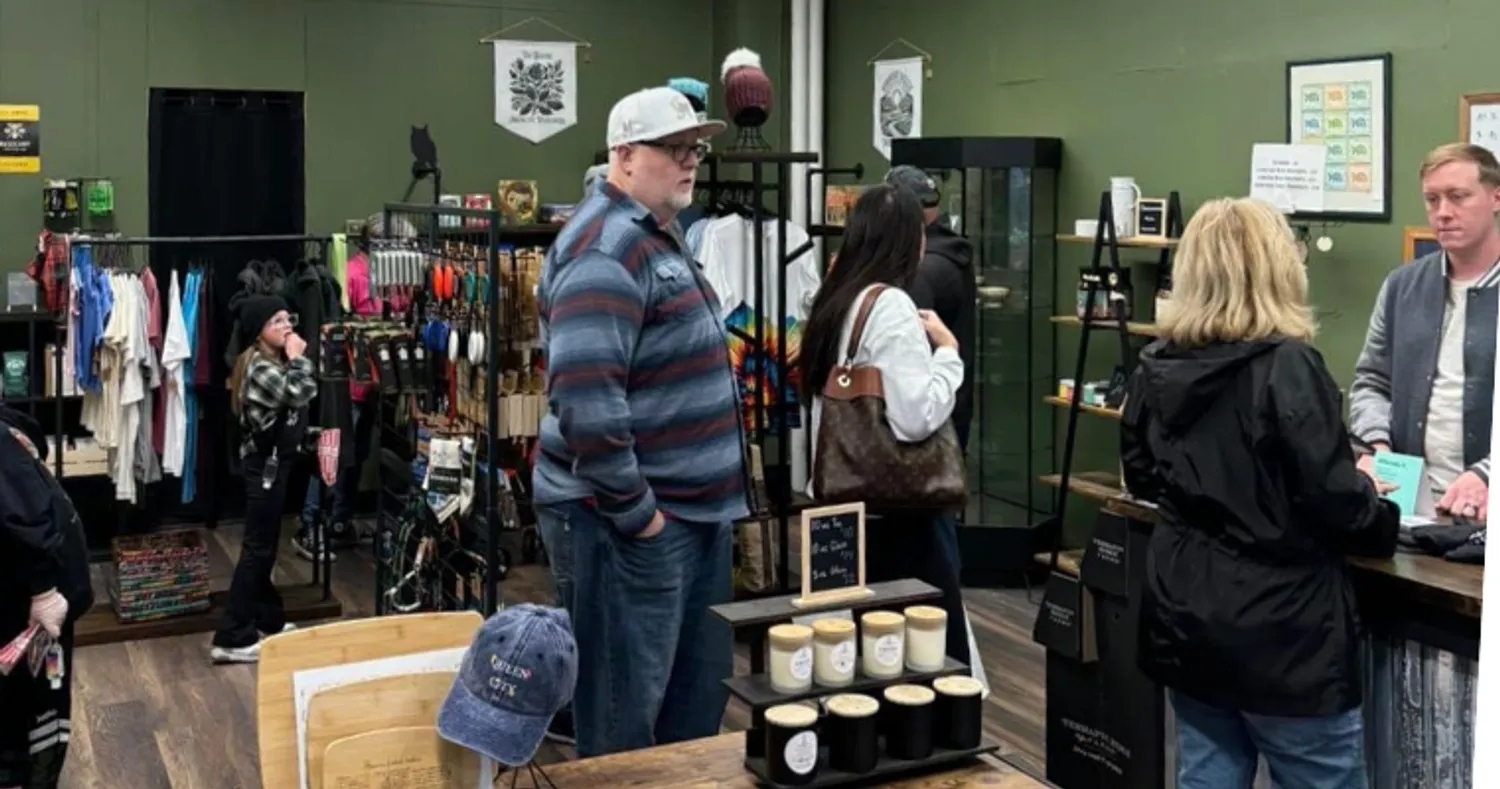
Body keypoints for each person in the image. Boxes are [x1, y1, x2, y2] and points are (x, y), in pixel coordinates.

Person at [1120, 197, 1399, 788]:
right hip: (1283, 634)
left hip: (1186, 615)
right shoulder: (1289, 367)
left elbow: (1142, 476)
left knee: (1208, 773)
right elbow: (1336, 502)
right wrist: (1380, 508)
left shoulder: (1155, 365)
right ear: (1279, 267)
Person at [531, 86, 746, 757]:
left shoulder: (655, 235)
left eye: (696, 149)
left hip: (688, 515)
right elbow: (587, 401)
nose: (690, 161)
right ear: (624, 154)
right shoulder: (606, 247)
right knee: (625, 720)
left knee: (691, 705)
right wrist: (641, 518)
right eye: (673, 148)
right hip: (631, 523)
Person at [800, 183, 971, 665]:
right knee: (915, 657)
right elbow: (914, 417)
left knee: (844, 653)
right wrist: (948, 355)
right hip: (897, 511)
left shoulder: (833, 302)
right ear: (908, 239)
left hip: (838, 499)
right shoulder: (891, 306)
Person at [1351, 142, 1500, 523]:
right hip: (1409, 508)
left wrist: (1486, 474)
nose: (1443, 213)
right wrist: (1378, 447)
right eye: (1432, 200)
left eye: (1458, 197)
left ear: (1496, 197)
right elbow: (1371, 381)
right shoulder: (1402, 286)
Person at [211, 295, 318, 664]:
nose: (287, 326)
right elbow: (303, 391)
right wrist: (300, 357)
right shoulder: (260, 368)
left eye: (288, 319)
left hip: (271, 465)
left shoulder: (269, 362)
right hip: (263, 469)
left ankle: (268, 619)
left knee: (266, 546)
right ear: (259, 332)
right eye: (277, 322)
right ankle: (232, 635)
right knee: (257, 549)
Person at [0, 405, 92, 789]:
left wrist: (44, 590)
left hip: (37, 594)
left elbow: (27, 512)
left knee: (38, 694)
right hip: (26, 586)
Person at [297, 220, 383, 563]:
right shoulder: (351, 274)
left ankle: (339, 521)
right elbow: (337, 327)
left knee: (357, 455)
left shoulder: (387, 275)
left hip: (375, 383)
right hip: (346, 385)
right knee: (332, 454)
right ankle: (310, 524)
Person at [883, 165, 975, 449]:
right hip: (954, 400)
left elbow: (907, 356)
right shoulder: (953, 252)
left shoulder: (921, 271)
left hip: (926, 415)